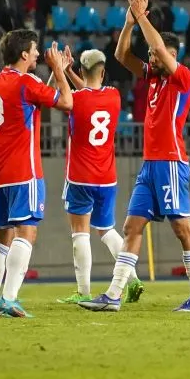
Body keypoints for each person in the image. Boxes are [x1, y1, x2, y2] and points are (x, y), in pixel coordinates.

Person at [80, 0, 190, 312]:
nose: (151, 59)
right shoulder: (152, 77)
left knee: (182, 228)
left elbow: (159, 49)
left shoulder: (183, 79)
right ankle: (113, 295)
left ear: (172, 56)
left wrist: (142, 17)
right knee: (131, 227)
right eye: (151, 56)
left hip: (171, 162)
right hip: (150, 165)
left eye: (157, 55)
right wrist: (128, 24)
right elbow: (122, 56)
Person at [0, 30, 73, 318]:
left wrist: (2, 129)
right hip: (25, 170)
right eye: (35, 50)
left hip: (0, 172)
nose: (39, 54)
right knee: (26, 232)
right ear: (24, 54)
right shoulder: (27, 82)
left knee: (0, 237)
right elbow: (67, 102)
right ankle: (10, 298)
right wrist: (60, 71)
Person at [55, 48, 143, 306]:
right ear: (103, 72)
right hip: (107, 177)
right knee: (106, 230)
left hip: (80, 176)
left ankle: (83, 291)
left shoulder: (76, 100)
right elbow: (90, 91)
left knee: (79, 233)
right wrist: (71, 72)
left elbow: (74, 97)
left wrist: (61, 70)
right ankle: (132, 278)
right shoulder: (114, 96)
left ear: (81, 71)